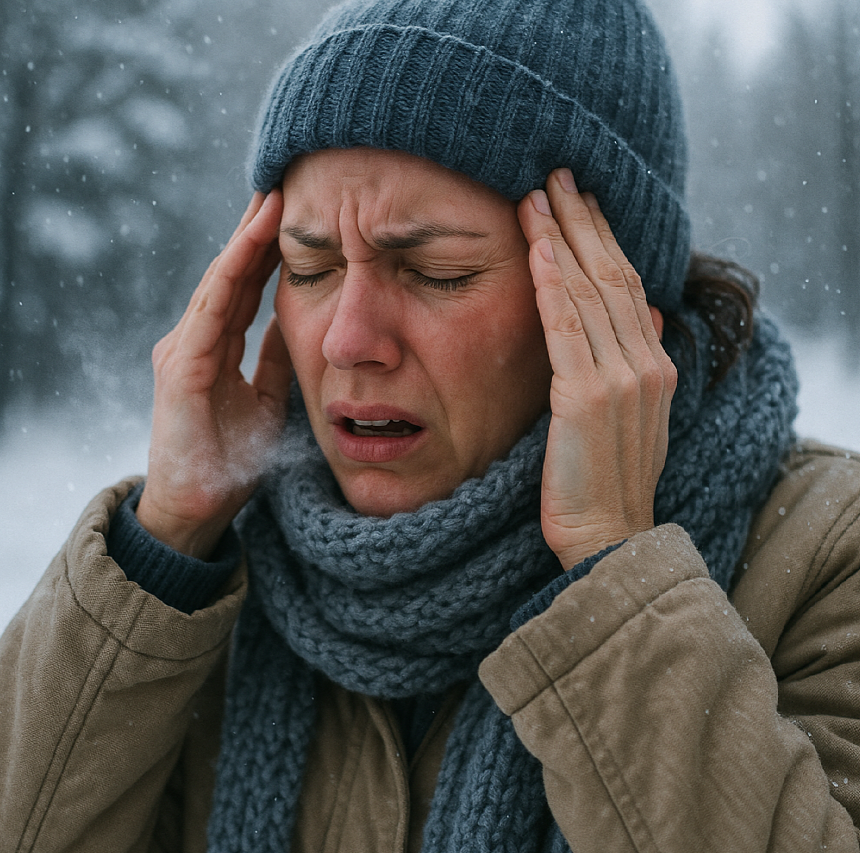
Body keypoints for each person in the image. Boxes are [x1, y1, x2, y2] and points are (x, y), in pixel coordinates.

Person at [2, 0, 860, 850]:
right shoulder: (209, 587)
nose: (347, 339)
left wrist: (613, 567)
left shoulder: (824, 556)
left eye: (438, 272)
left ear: (613, 299)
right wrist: (168, 541)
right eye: (309, 267)